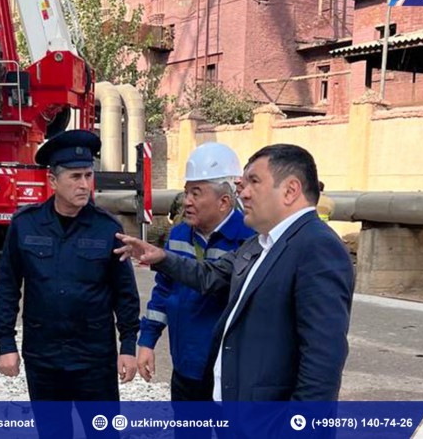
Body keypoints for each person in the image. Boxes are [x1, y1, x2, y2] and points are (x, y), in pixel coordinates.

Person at [115, 144, 354, 401]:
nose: (244, 194)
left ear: (290, 190)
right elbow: (210, 276)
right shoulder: (260, 243)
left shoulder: (318, 246)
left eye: (254, 182)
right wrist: (162, 258)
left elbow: (322, 361)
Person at [0, 129, 140, 437]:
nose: (84, 184)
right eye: (75, 176)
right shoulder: (25, 225)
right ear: (53, 180)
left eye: (88, 175)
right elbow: (7, 286)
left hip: (94, 360)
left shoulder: (107, 228)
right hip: (43, 358)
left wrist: (127, 346)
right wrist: (6, 344)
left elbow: (125, 294)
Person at [138, 143, 254, 425]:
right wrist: (147, 341)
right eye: (186, 192)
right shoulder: (179, 235)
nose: (186, 201)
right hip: (186, 368)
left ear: (224, 201)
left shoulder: (248, 239)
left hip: (229, 374)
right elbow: (163, 292)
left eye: (196, 193)